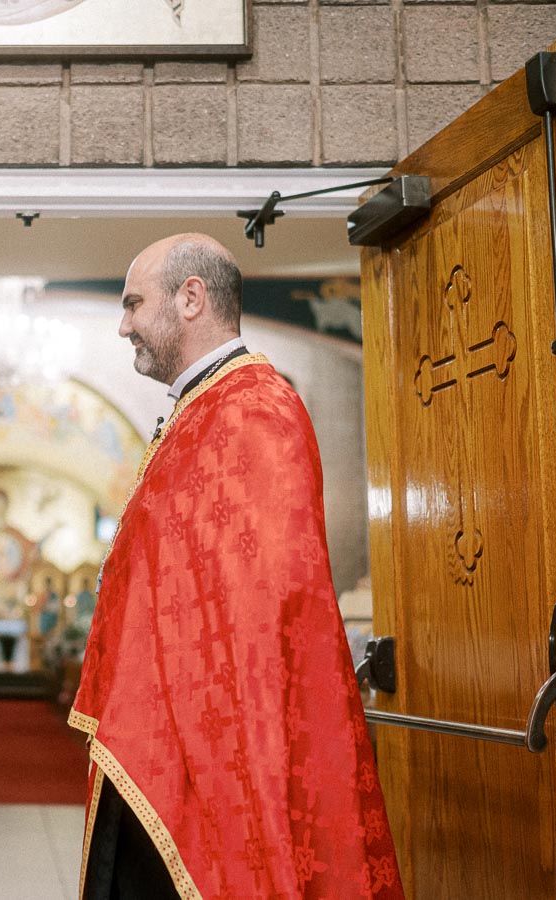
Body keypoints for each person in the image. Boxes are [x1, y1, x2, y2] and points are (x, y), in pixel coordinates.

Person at [69, 234, 402, 899]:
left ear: (191, 298)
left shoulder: (253, 410)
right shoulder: (205, 408)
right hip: (159, 736)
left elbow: (255, 611)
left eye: (134, 303)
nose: (123, 324)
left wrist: (218, 744)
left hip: (205, 742)